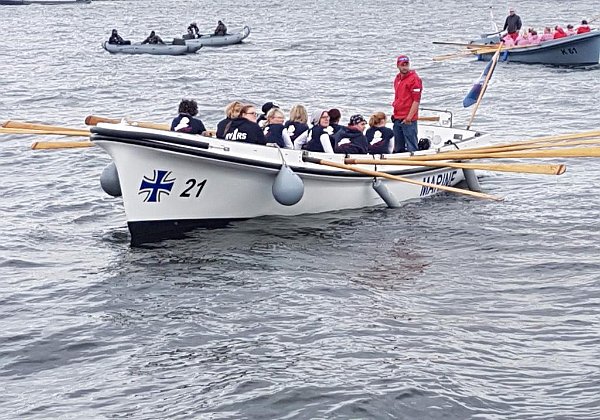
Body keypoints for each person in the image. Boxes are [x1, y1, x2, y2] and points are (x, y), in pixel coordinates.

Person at [392, 55, 422, 153]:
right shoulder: (397, 78)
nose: (405, 67)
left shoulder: (414, 79)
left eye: (406, 64)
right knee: (398, 146)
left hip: (408, 118)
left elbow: (416, 100)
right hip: (397, 116)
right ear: (398, 66)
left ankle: (414, 159)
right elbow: (398, 97)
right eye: (402, 65)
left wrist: (409, 117)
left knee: (411, 145)